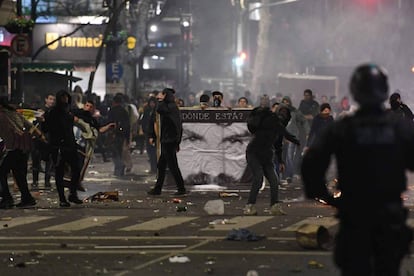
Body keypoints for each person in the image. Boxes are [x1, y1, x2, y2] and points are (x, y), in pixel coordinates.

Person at [301, 64, 414, 276]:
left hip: (354, 214)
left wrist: (327, 197)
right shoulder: (398, 127)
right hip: (387, 215)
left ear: (355, 91)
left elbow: (311, 165)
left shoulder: (344, 127)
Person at [243, 106, 291, 216]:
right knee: (258, 178)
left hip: (267, 156)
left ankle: (274, 206)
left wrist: (280, 161)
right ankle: (249, 206)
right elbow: (253, 123)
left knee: (274, 180)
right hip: (254, 153)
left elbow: (278, 146)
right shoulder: (264, 125)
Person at [0, 95, 44, 208]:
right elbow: (29, 125)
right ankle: (27, 198)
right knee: (18, 174)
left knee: (1, 172)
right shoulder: (14, 113)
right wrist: (41, 136)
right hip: (23, 148)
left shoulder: (1, 115)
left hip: (13, 148)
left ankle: (7, 198)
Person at [43, 90, 83, 207]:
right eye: (62, 97)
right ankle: (62, 198)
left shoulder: (68, 111)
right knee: (59, 172)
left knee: (76, 169)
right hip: (58, 146)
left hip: (70, 145)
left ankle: (72, 193)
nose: (64, 100)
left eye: (66, 97)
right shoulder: (53, 112)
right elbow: (46, 129)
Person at [147, 88, 186, 196]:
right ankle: (158, 188)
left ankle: (181, 188)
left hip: (169, 141)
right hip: (169, 140)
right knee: (161, 165)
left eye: (161, 94)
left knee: (173, 166)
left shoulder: (169, 107)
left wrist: (159, 100)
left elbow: (159, 109)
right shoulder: (172, 107)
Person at [106, 93, 130, 177]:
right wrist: (127, 138)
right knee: (118, 152)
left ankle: (119, 167)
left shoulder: (112, 111)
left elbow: (109, 123)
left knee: (114, 152)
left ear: (114, 102)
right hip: (122, 135)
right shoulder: (124, 111)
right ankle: (119, 170)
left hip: (113, 134)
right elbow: (128, 125)